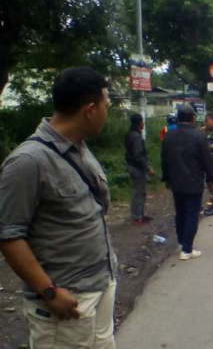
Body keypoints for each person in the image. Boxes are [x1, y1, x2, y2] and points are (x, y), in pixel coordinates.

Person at [0, 67, 118, 348]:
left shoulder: (79, 147)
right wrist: (49, 292)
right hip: (66, 301)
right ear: (90, 109)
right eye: (106, 105)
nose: (107, 111)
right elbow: (8, 234)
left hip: (101, 285)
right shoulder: (28, 161)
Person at [162, 105, 213, 260]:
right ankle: (187, 249)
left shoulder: (169, 136)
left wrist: (166, 179)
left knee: (180, 213)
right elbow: (207, 160)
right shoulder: (199, 136)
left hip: (176, 183)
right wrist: (211, 179)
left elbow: (164, 160)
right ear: (192, 118)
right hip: (193, 182)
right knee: (192, 214)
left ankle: (181, 242)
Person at [125, 113, 155, 224]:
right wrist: (147, 167)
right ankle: (137, 216)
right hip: (136, 168)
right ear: (140, 123)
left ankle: (140, 215)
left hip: (132, 166)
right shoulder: (136, 137)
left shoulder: (130, 134)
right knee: (138, 192)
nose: (143, 124)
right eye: (142, 122)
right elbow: (138, 155)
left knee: (140, 191)